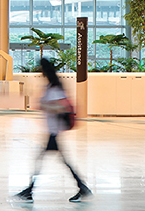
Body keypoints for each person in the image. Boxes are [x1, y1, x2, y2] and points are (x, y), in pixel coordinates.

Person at [15, 58, 92, 203]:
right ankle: (82, 187)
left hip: (54, 131)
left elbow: (62, 108)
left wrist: (45, 106)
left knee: (43, 160)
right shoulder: (51, 86)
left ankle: (30, 191)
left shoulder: (55, 88)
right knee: (58, 161)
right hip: (52, 131)